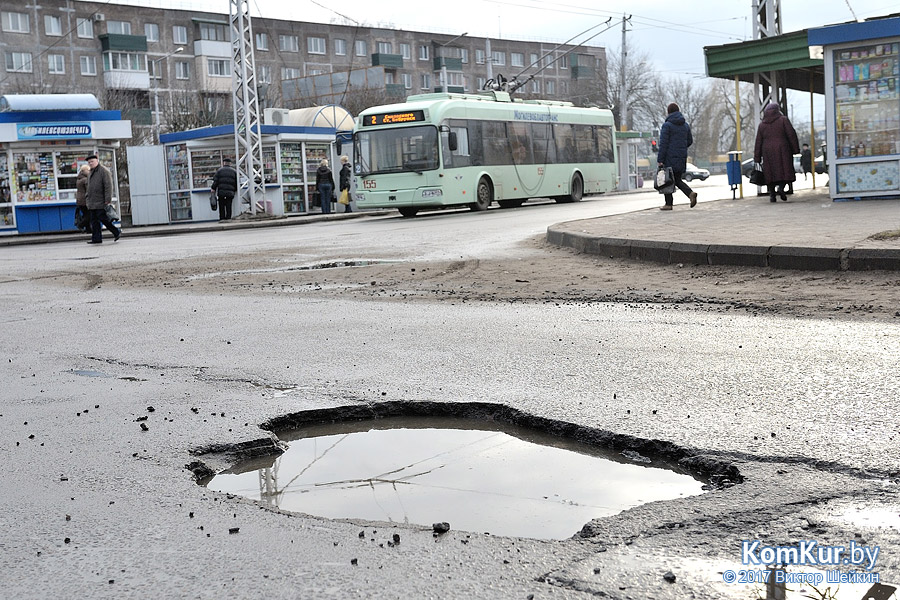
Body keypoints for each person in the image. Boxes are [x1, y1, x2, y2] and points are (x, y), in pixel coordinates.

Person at [754, 103, 800, 202]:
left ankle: (772, 194)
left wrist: (757, 157)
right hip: (783, 149)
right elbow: (791, 135)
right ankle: (781, 188)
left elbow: (758, 141)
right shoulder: (783, 120)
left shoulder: (762, 125)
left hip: (767, 152)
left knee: (770, 172)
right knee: (784, 170)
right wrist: (795, 149)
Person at [656, 102, 698, 211]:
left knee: (666, 180)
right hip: (681, 158)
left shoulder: (667, 125)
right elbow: (690, 141)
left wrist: (660, 159)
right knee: (678, 179)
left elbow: (663, 144)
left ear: (668, 112)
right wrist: (681, 149)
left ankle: (668, 204)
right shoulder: (685, 125)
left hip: (669, 158)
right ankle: (690, 194)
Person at [84, 154, 120, 244]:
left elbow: (108, 186)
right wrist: (87, 197)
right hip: (92, 202)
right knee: (94, 221)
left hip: (101, 201)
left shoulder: (104, 171)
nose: (90, 163)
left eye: (92, 161)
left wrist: (108, 199)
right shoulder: (91, 172)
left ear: (97, 161)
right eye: (89, 162)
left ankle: (116, 231)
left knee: (103, 219)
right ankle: (96, 238)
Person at [74, 164, 91, 233]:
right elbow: (88, 190)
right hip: (85, 200)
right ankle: (81, 225)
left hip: (79, 200)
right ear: (85, 171)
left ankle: (88, 229)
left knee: (85, 214)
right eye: (89, 170)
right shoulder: (85, 180)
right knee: (89, 215)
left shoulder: (79, 179)